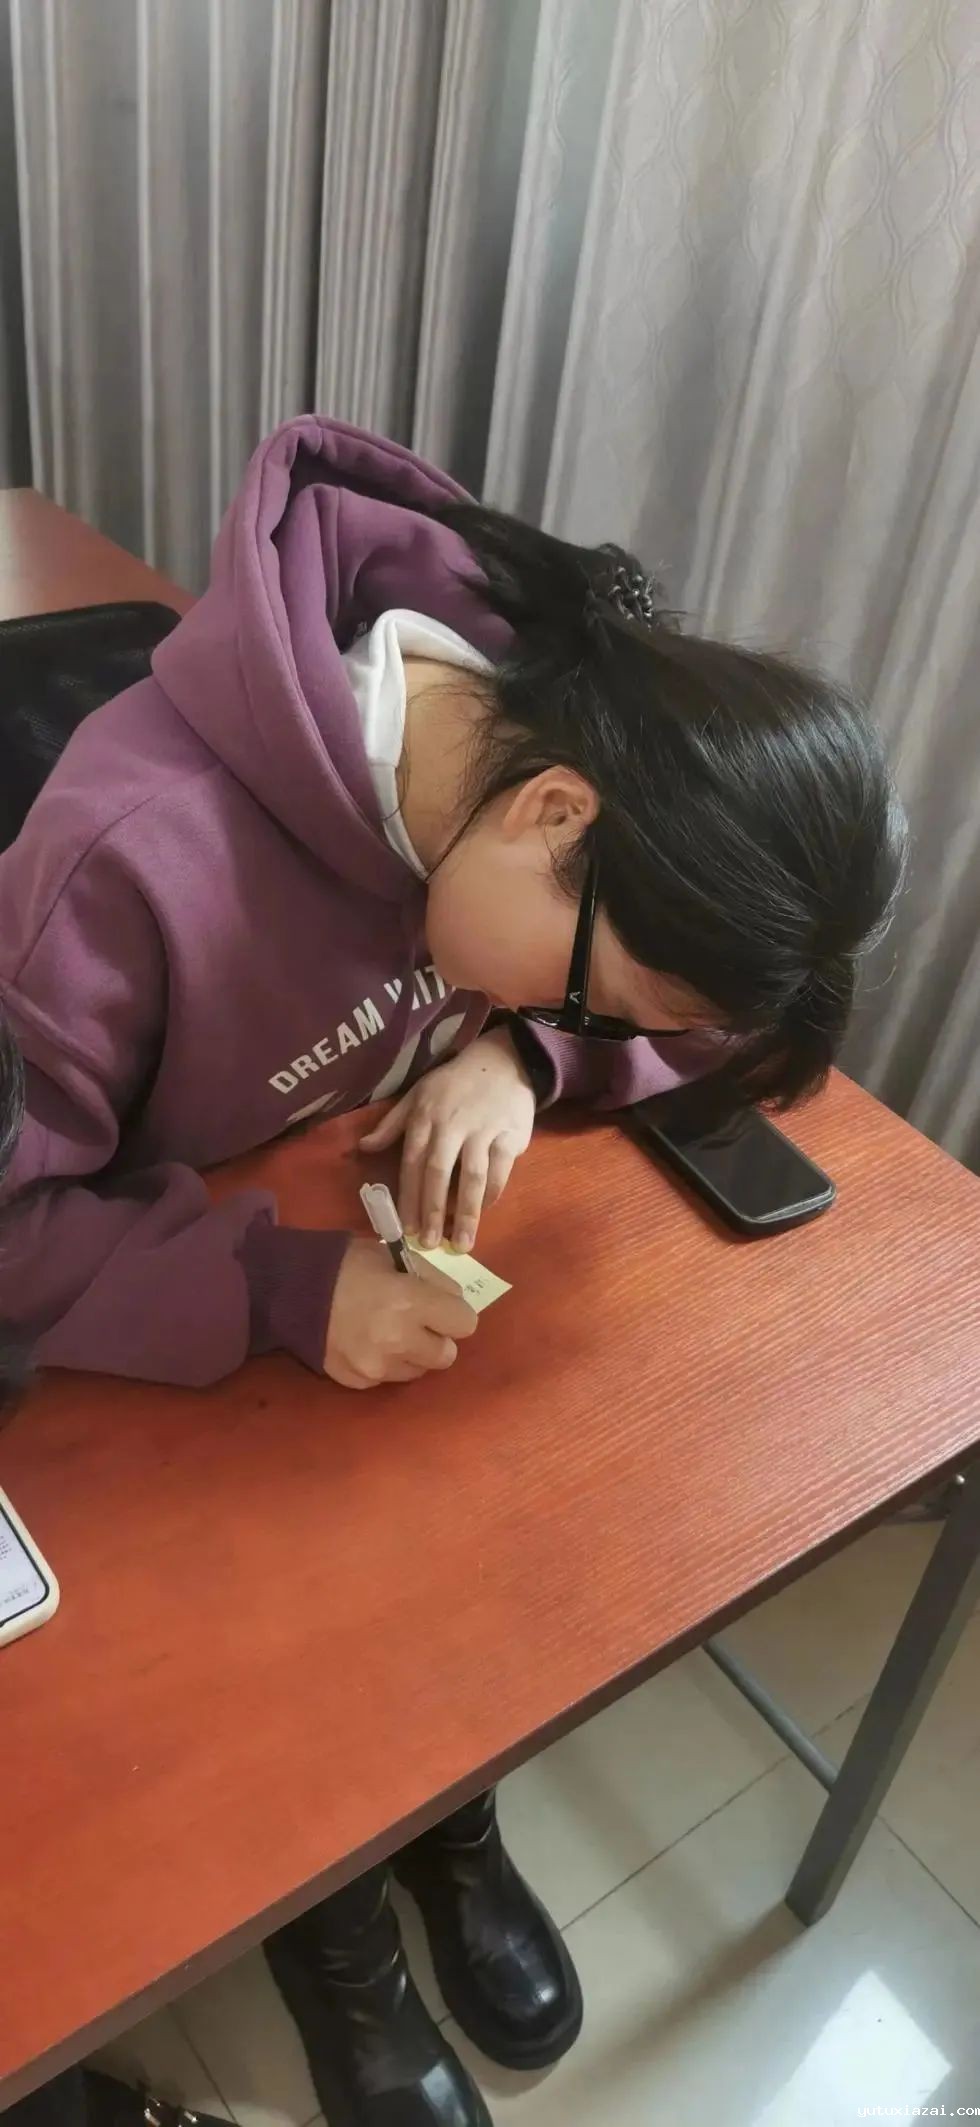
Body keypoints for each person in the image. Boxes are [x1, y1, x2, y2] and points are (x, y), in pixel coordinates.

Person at [0, 415, 906, 2127]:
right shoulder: (126, 861)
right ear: (556, 815)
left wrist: (522, 1056)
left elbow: (685, 1022)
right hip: (158, 1305)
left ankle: (446, 1811)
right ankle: (336, 1914)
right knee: (303, 1589)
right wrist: (288, 1292)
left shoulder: (567, 739)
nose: (591, 1025)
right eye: (591, 1001)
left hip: (329, 1252)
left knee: (481, 1529)